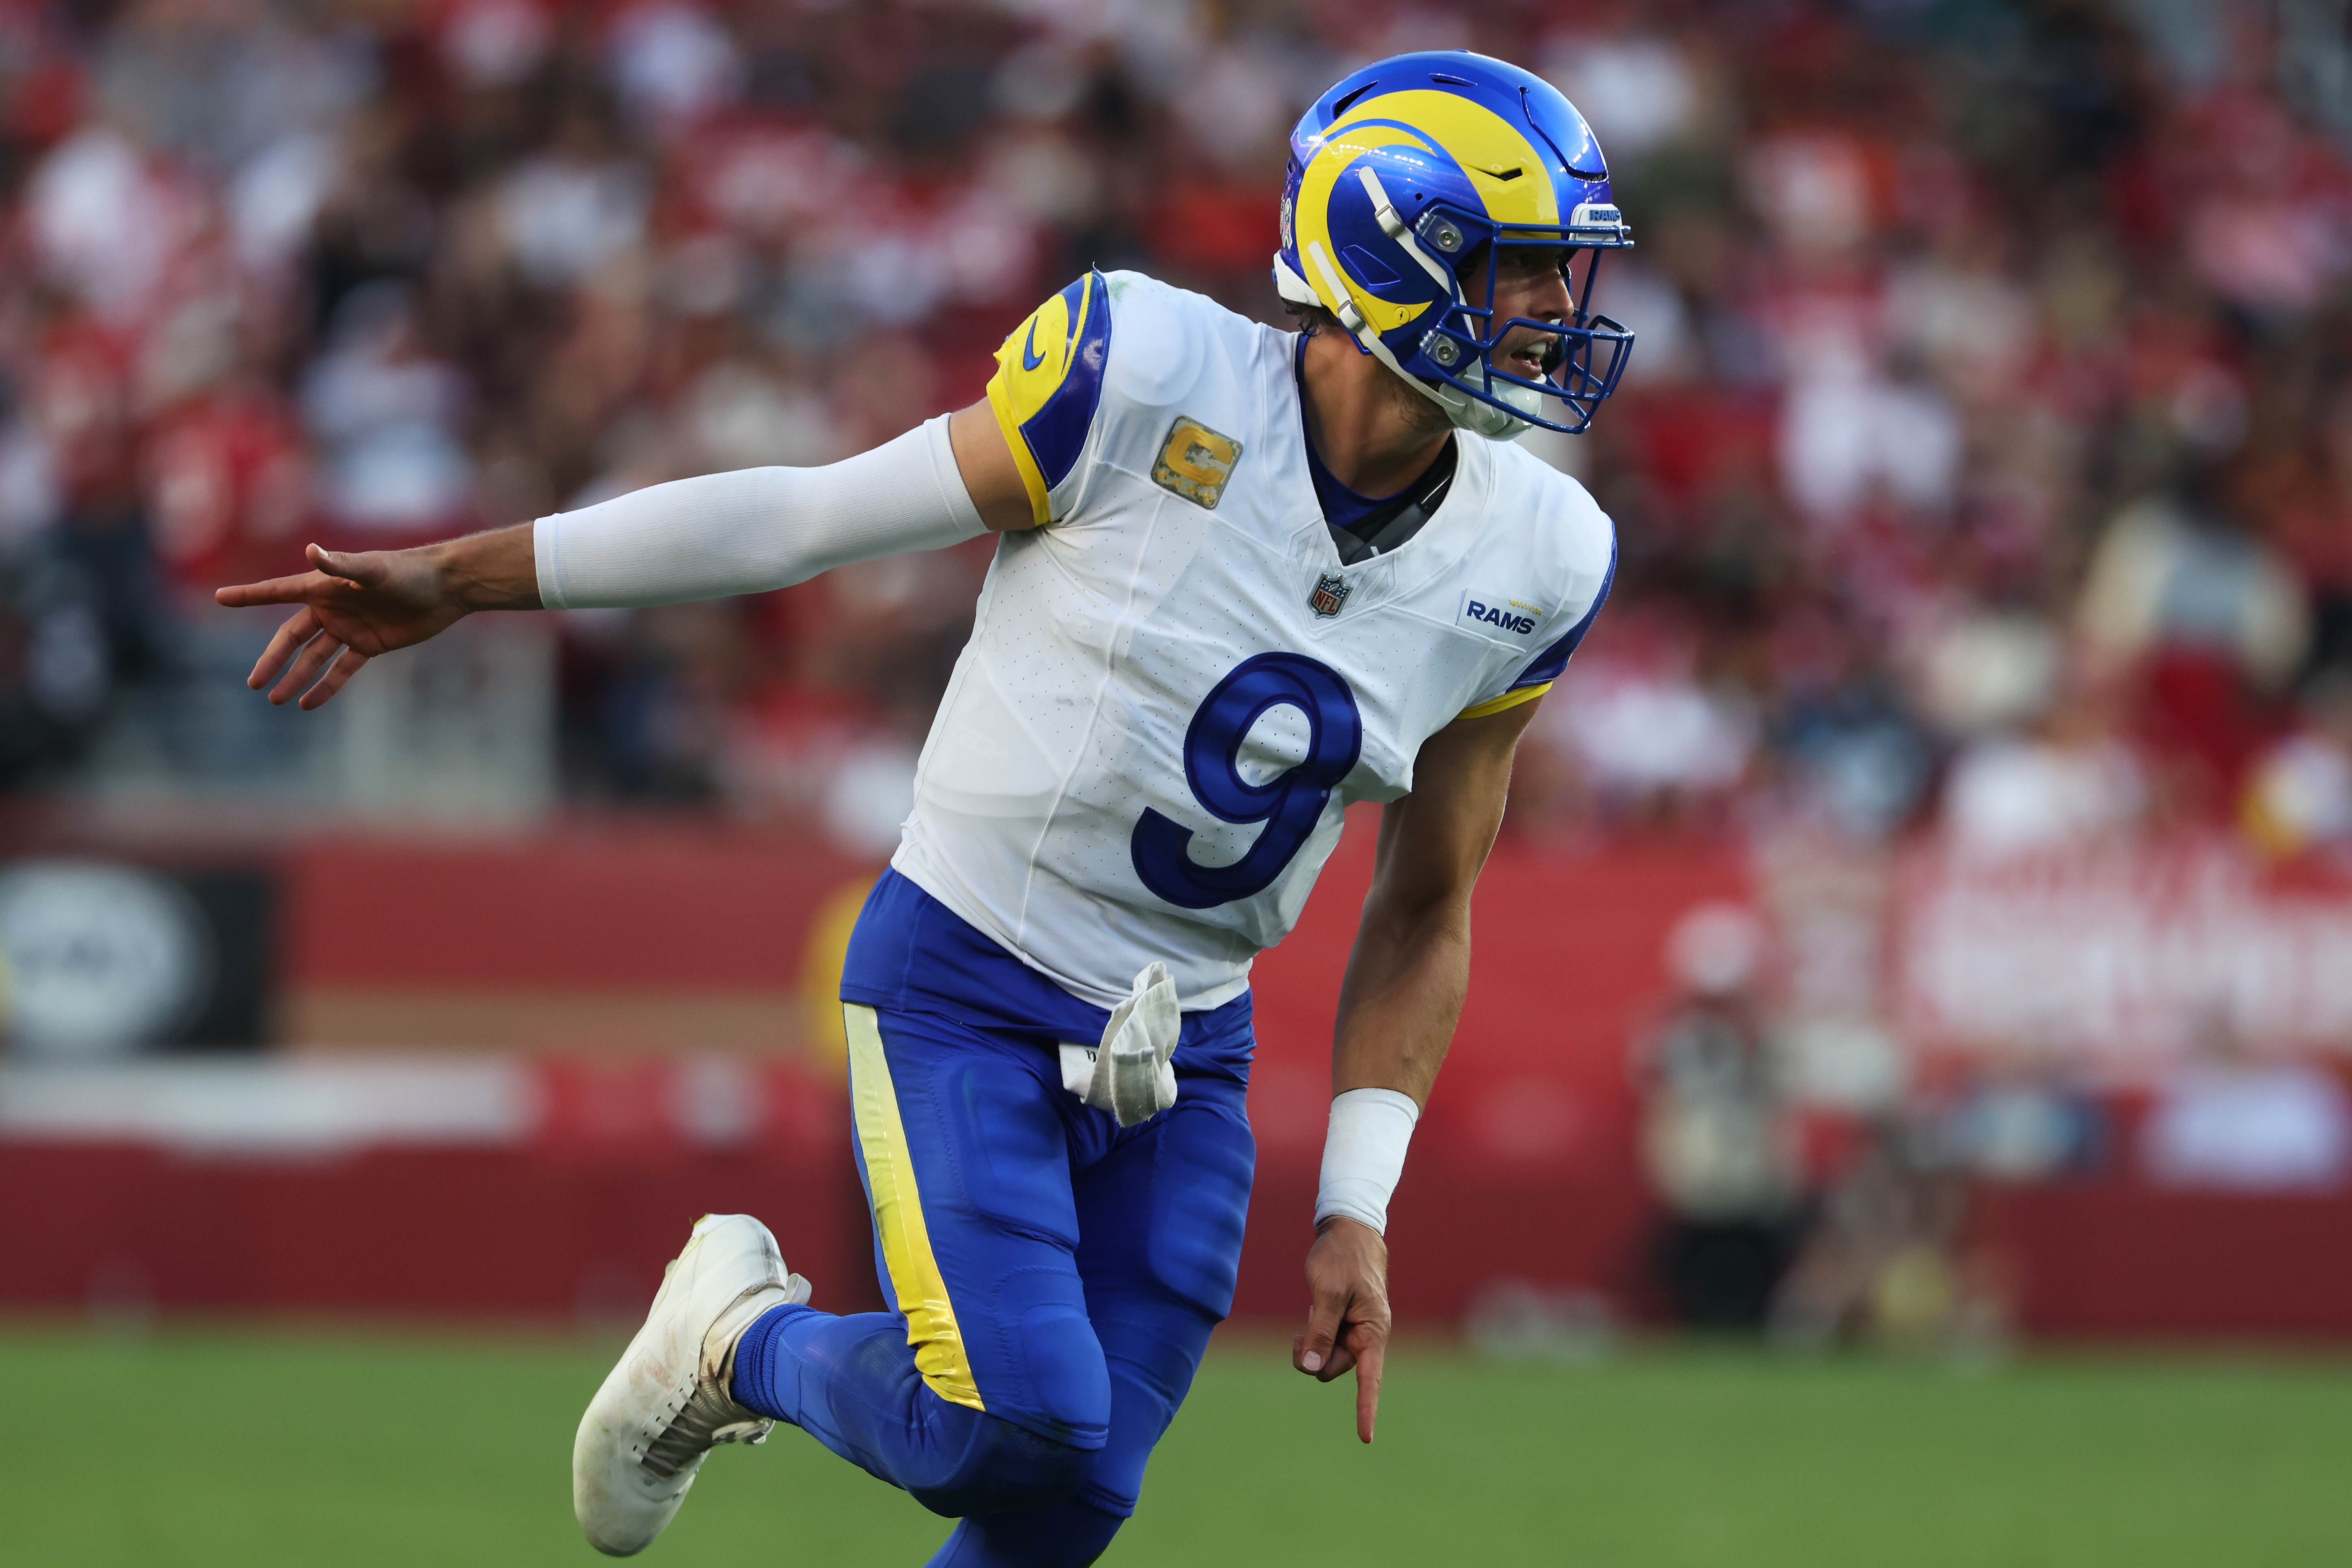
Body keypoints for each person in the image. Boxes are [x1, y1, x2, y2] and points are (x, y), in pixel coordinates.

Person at [218, 52, 1632, 1567]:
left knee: (1071, 1499)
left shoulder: (1539, 551)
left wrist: (1360, 1200)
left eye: (1565, 272)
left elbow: (1427, 906)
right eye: (1526, 266)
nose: (1561, 308)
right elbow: (807, 518)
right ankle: (737, 1336)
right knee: (1007, 1426)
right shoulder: (1144, 375)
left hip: (1187, 1041)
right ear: (1384, 248)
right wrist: (470, 575)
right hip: (972, 969)